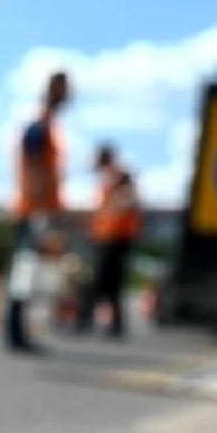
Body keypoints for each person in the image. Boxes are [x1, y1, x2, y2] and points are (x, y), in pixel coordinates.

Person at [4, 70, 70, 354]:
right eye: (65, 90)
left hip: (35, 207)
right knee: (26, 272)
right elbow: (34, 164)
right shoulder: (41, 123)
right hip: (34, 209)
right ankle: (16, 333)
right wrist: (41, 206)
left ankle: (19, 331)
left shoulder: (46, 123)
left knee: (27, 272)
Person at [75, 143, 140, 338]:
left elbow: (128, 200)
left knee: (97, 281)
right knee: (111, 283)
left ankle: (84, 321)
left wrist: (112, 209)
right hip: (106, 236)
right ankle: (115, 326)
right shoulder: (109, 177)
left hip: (115, 236)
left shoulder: (120, 175)